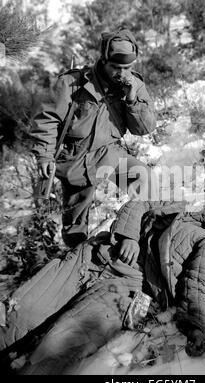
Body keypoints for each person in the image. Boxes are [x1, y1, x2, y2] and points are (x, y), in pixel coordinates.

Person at [0, 201, 205, 373]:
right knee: (19, 315)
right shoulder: (176, 208)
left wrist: (196, 325)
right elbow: (138, 204)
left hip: (128, 288)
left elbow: (198, 282)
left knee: (59, 347)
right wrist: (129, 236)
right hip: (93, 258)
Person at [30, 29, 156, 248]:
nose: (122, 73)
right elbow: (47, 119)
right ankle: (79, 264)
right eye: (116, 67)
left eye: (127, 68)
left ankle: (135, 240)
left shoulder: (134, 85)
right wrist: (44, 155)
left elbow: (143, 129)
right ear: (103, 60)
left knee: (143, 178)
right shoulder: (73, 83)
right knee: (75, 227)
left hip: (108, 152)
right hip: (75, 158)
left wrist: (132, 99)